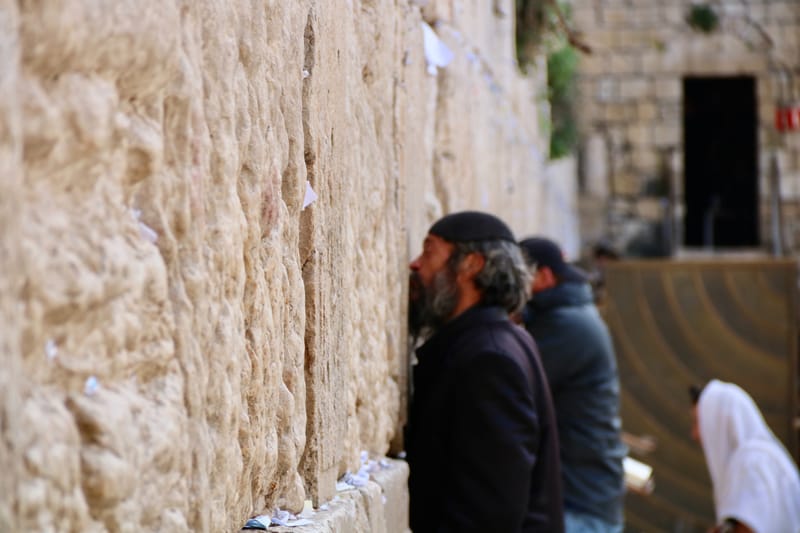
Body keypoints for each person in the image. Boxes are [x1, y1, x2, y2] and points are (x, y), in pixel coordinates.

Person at [406, 211, 564, 533]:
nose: (416, 264)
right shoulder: (497, 342)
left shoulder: (490, 358)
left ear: (471, 265)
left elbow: (488, 514)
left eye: (429, 250)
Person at [518, 236, 626, 533]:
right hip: (584, 498)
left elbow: (515, 382)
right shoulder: (564, 315)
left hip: (582, 505)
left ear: (544, 277)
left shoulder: (569, 325)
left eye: (519, 276)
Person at [690, 380, 800, 532]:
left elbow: (748, 526)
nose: (695, 434)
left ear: (719, 421)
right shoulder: (763, 457)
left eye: (698, 422)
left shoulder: (753, 462)